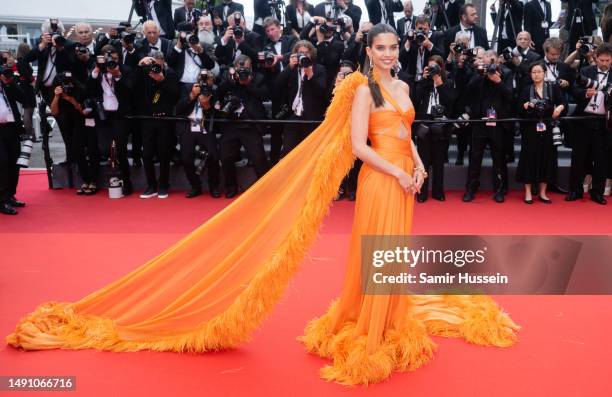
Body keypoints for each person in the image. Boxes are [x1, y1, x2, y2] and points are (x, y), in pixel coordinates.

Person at [6, 23, 519, 387]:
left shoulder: (404, 86)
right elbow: (361, 147)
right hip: (381, 182)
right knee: (377, 252)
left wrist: (421, 167)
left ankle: (386, 321)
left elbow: (405, 134)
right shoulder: (362, 89)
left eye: (393, 47)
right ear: (368, 49)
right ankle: (369, 326)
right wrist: (398, 172)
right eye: (380, 48)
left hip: (405, 177)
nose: (388, 54)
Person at [516, 62, 566, 204]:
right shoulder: (527, 89)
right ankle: (528, 192)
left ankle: (543, 192)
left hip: (548, 128)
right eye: (533, 72)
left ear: (545, 73)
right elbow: (518, 108)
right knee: (529, 159)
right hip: (531, 129)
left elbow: (564, 103)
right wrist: (525, 106)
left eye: (539, 72)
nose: (536, 74)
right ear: (530, 74)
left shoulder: (553, 88)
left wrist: (559, 108)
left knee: (547, 159)